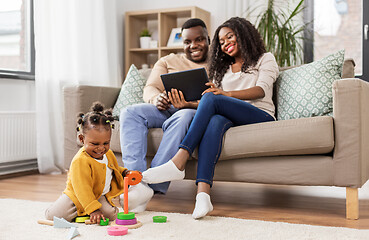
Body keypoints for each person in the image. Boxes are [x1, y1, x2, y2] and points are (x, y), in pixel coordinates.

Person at [142, 17, 279, 219]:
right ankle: (203, 196)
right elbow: (211, 102)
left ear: (244, 34)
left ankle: (179, 160)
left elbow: (260, 90)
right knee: (214, 120)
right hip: (231, 116)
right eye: (221, 41)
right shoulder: (222, 69)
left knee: (212, 97)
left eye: (230, 37)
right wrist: (187, 104)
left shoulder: (265, 58)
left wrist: (224, 94)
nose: (225, 44)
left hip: (260, 115)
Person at [119, 18, 210, 212]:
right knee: (130, 112)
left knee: (184, 116)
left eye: (199, 39)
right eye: (187, 42)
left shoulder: (219, 64)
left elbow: (220, 98)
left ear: (208, 39)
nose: (193, 45)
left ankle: (151, 184)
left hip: (194, 111)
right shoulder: (168, 60)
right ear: (182, 43)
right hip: (165, 109)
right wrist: (156, 98)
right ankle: (136, 183)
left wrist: (189, 104)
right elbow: (150, 87)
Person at [45, 102, 130, 223]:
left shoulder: (108, 153)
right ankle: (81, 210)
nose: (101, 148)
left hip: (98, 195)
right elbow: (82, 189)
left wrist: (125, 172)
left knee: (112, 216)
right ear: (82, 139)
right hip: (76, 197)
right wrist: (93, 210)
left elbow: (112, 169)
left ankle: (88, 210)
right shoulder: (80, 160)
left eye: (106, 143)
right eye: (95, 144)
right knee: (54, 216)